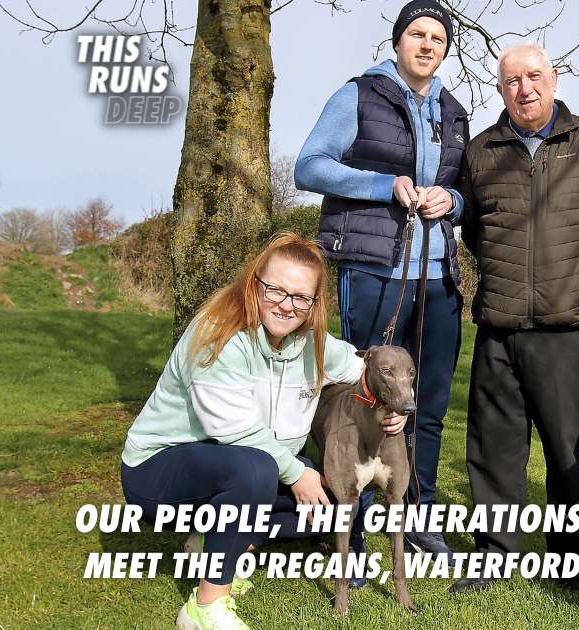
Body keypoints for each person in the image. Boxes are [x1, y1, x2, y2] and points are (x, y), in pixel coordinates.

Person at [120, 233, 406, 630]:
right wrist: (296, 473)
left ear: (313, 304)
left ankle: (214, 543)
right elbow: (234, 431)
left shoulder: (314, 344)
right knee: (254, 470)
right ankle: (205, 607)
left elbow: (368, 372)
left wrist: (392, 409)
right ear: (255, 284)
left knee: (333, 503)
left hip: (254, 465)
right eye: (276, 290)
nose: (287, 305)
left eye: (301, 297)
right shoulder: (217, 335)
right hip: (161, 470)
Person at [450, 42, 579, 597]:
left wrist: (568, 277)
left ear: (553, 78)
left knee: (565, 450)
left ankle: (568, 563)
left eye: (533, 77)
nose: (524, 88)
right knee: (494, 447)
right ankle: (494, 556)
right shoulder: (482, 151)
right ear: (500, 89)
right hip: (498, 324)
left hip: (562, 327)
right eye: (511, 81)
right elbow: (473, 229)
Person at [294, 0, 467, 561]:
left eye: (437, 39)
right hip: (371, 267)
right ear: (398, 42)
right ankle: (352, 522)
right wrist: (382, 184)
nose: (426, 45)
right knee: (358, 396)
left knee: (426, 402)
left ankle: (416, 513)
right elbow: (310, 165)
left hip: (438, 273)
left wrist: (454, 199)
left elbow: (463, 186)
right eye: (416, 34)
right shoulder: (358, 95)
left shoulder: (454, 110)